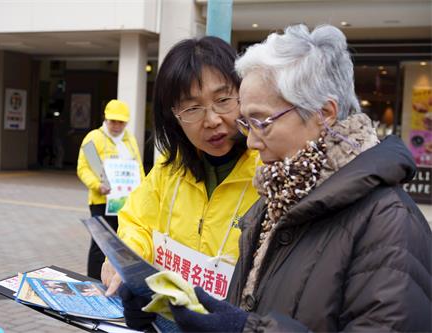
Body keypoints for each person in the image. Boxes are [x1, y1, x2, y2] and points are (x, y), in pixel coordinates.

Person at [166, 24, 432, 332]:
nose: (250, 141)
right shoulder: (275, 200)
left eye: (261, 122)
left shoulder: (389, 222)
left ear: (324, 113)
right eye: (245, 123)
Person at [101, 36, 261, 329]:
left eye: (223, 100)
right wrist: (124, 259)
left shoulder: (268, 171)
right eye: (192, 108)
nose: (211, 120)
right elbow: (138, 224)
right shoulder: (168, 170)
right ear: (173, 117)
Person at [77, 99, 145, 279]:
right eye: (113, 121)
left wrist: (143, 193)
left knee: (123, 244)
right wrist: (97, 185)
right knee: (100, 245)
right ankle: (93, 281)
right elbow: (83, 167)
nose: (116, 125)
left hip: (125, 202)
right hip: (101, 201)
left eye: (121, 122)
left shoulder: (129, 139)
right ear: (106, 119)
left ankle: (116, 281)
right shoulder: (94, 138)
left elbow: (138, 168)